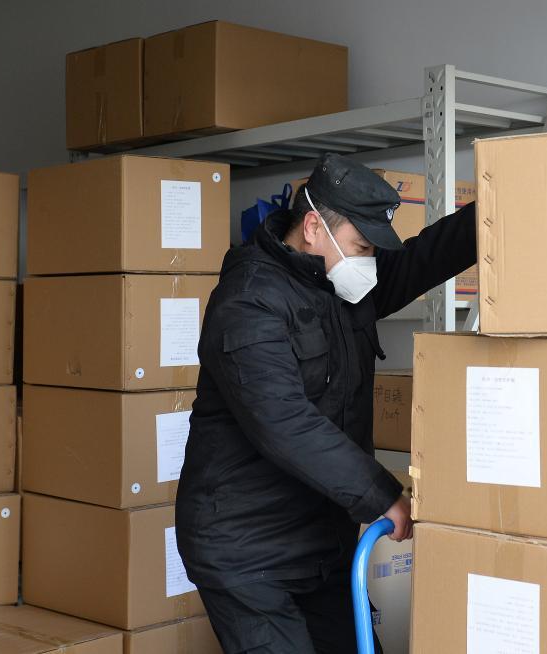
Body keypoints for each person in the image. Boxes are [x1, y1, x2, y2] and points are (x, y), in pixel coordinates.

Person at [176, 152, 476, 653]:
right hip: (245, 550)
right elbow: (285, 422)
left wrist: (499, 203)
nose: (368, 263)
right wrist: (381, 493)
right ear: (314, 228)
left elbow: (424, 257)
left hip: (319, 541)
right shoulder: (249, 302)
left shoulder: (340, 283)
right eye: (362, 247)